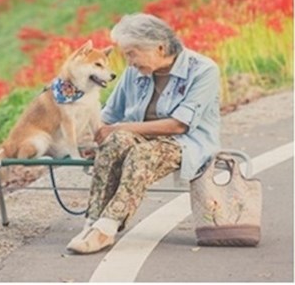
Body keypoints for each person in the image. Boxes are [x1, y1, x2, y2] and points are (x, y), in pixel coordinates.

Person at [66, 13, 221, 254]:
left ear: (159, 47)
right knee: (115, 139)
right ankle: (92, 222)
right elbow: (110, 114)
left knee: (139, 152)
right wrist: (93, 140)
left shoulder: (203, 70)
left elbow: (179, 125)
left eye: (131, 53)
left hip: (184, 142)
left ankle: (106, 228)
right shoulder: (135, 72)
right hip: (138, 138)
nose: (128, 62)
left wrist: (120, 128)